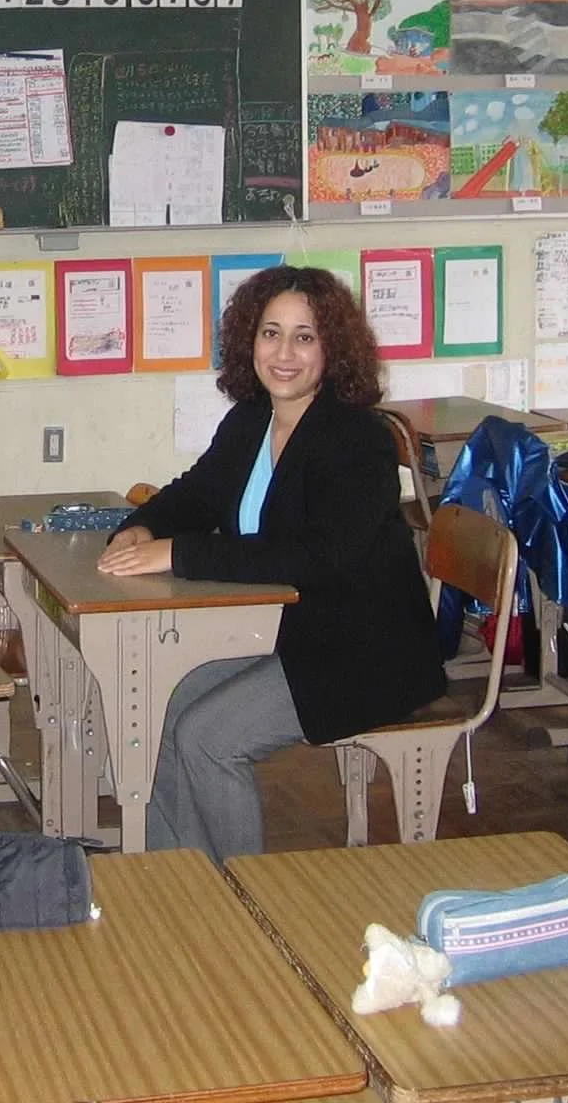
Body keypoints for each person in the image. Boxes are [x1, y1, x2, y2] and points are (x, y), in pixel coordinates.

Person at [97, 264, 443, 861]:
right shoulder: (251, 419)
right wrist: (141, 528)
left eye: (305, 336)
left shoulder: (357, 440)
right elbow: (196, 492)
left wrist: (179, 552)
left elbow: (321, 557)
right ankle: (176, 881)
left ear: (333, 348)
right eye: (270, 333)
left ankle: (247, 902)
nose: (284, 353)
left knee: (208, 737)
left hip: (363, 650)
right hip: (284, 629)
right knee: (158, 705)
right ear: (248, 341)